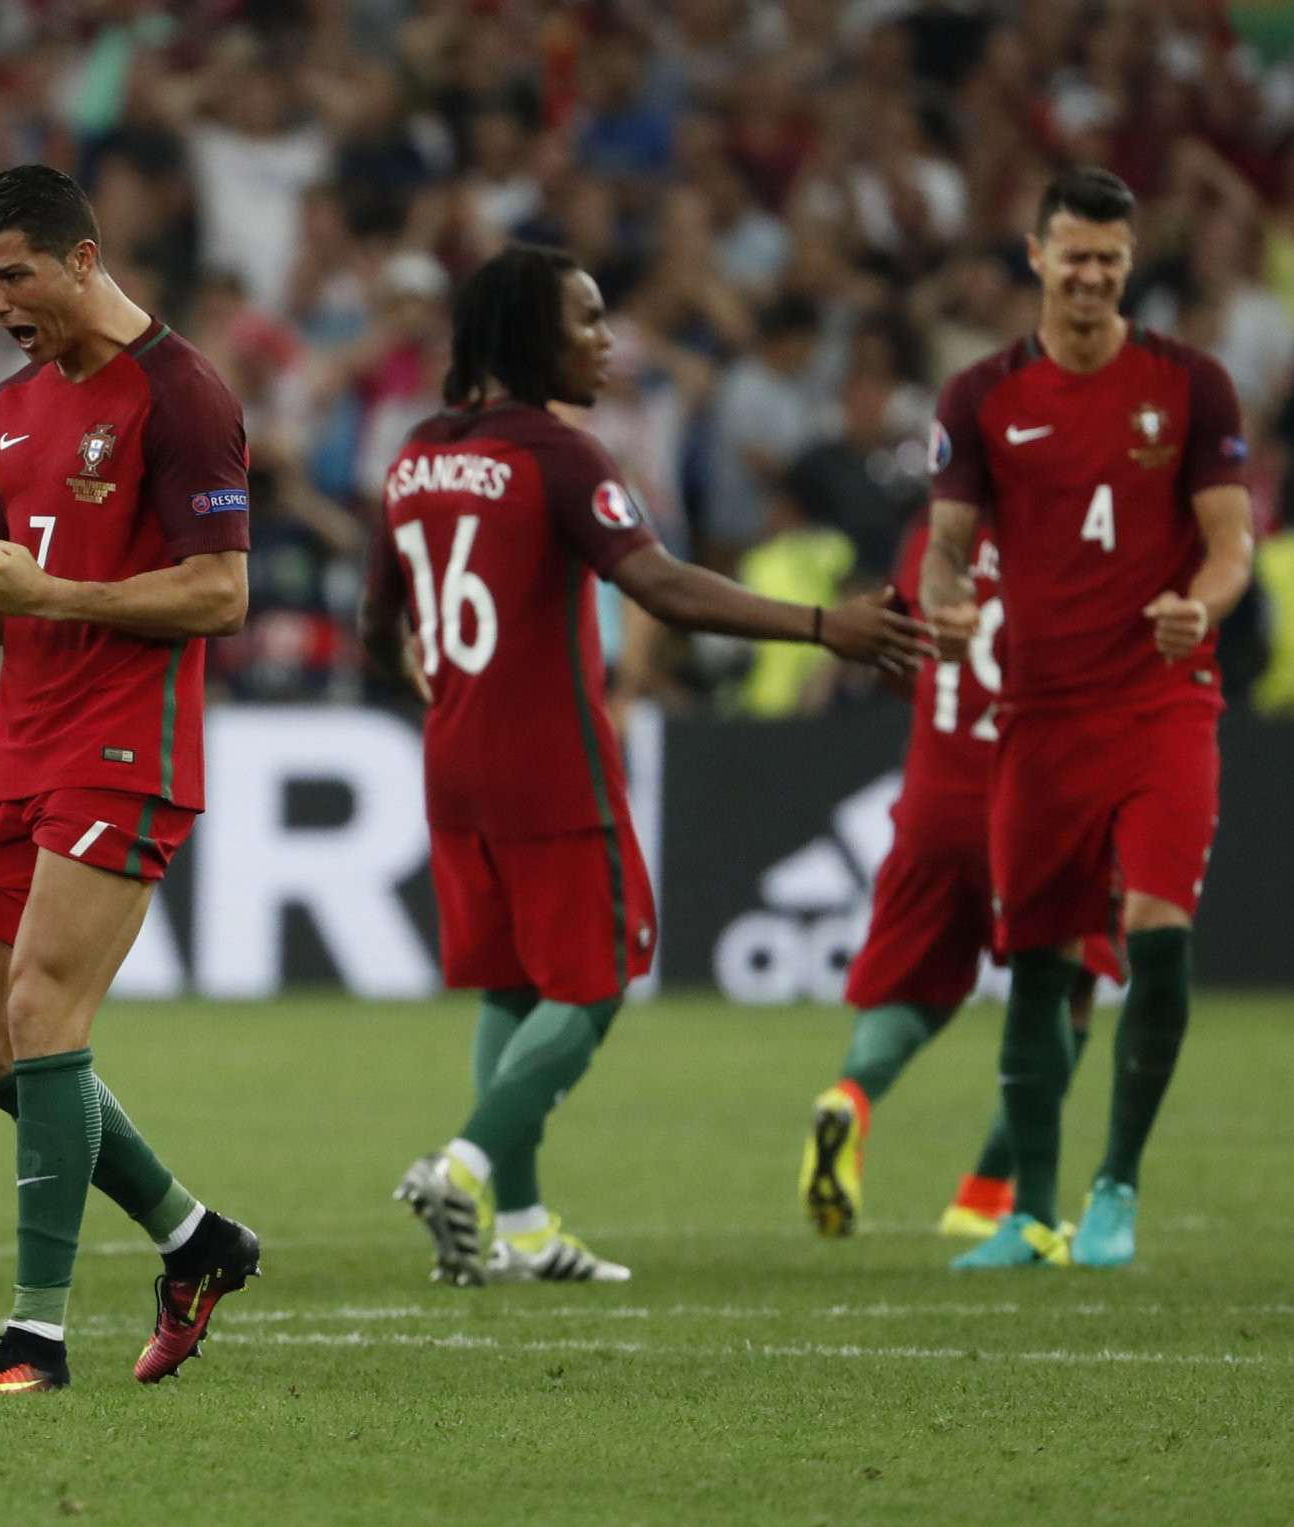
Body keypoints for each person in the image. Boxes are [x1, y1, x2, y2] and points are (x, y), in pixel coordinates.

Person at [360, 244, 928, 1288]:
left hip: (454, 767)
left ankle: (522, 1231)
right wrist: (820, 625)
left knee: (511, 986)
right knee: (596, 982)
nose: (605, 339)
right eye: (584, 319)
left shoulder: (413, 454)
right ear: (533, 333)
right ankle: (462, 1166)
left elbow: (374, 627)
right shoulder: (559, 454)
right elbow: (659, 585)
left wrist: (426, 680)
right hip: (550, 765)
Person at [0, 165, 261, 1394]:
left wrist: (51, 595)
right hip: (21, 742)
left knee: (47, 1018)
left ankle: (35, 1340)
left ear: (84, 260)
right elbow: (31, 595)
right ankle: (195, 1239)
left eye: (15, 275)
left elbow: (220, 591)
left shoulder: (184, 392)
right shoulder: (10, 407)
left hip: (127, 744)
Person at [923, 168, 1252, 1271]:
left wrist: (1193, 609)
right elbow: (946, 543)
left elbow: (1230, 544)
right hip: (1040, 712)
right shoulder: (978, 398)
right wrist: (944, 596)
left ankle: (1115, 1191)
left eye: (1111, 256)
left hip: (1162, 702)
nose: (1094, 274)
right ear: (1034, 255)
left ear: (1128, 260)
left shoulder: (1190, 384)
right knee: (1038, 959)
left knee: (1157, 927)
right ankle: (1032, 1213)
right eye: (1075, 254)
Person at [798, 511, 1122, 1241]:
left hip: (934, 803)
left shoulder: (932, 539)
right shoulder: (1076, 530)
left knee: (913, 989)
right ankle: (983, 1192)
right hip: (1038, 804)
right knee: (1069, 995)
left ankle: (851, 1097)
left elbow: (887, 648)